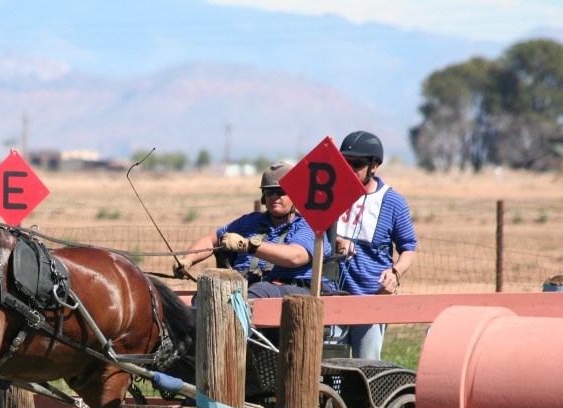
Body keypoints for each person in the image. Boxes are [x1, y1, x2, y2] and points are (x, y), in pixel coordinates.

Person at [173, 161, 334, 297]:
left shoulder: (308, 225)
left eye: (281, 192)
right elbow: (210, 240)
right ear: (263, 196)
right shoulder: (249, 222)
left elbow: (295, 257)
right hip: (244, 288)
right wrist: (188, 260)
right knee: (206, 294)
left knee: (256, 292)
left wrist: (248, 246)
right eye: (269, 192)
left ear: (295, 195)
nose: (274, 197)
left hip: (293, 292)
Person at [334, 131, 418, 360]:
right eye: (345, 163)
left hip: (371, 298)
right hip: (331, 297)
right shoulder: (329, 194)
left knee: (366, 368)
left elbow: (408, 248)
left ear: (374, 166)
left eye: (357, 164)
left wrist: (395, 273)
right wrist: (337, 241)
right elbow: (312, 231)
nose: (350, 169)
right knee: (328, 368)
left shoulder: (393, 202)